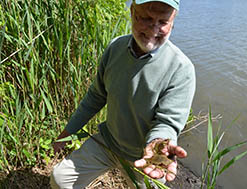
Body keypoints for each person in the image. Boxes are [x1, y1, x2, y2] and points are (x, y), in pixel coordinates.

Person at [50, 0, 196, 188]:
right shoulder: (115, 48)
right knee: (60, 180)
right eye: (146, 18)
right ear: (132, 12)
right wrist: (67, 133)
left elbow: (167, 123)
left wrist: (159, 145)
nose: (154, 29)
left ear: (173, 22)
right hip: (108, 142)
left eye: (163, 22)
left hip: (146, 159)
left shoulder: (181, 69)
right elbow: (95, 97)